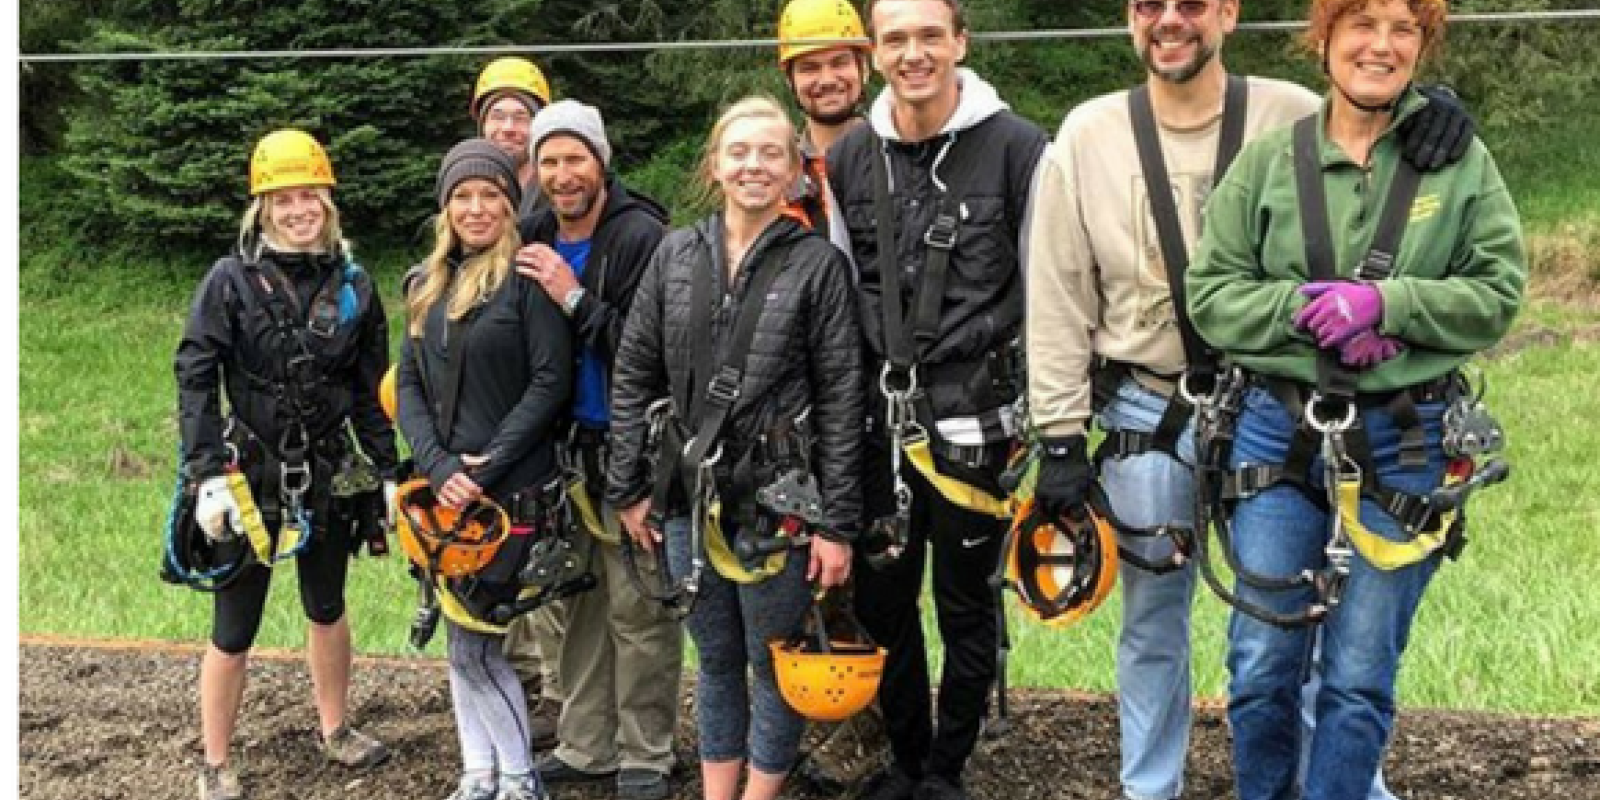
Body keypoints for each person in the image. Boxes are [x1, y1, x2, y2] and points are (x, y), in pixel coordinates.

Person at [1023, 2, 1478, 800]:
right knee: (1154, 623)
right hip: (1150, 408)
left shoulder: (1289, 113)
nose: (1171, 21)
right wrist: (1060, 436)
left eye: (1192, 4)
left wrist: (1436, 111)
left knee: (1300, 620)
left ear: (1228, 13)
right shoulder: (1087, 137)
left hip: (1284, 412)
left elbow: (1371, 130)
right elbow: (1056, 295)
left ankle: (1337, 783)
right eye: (1149, 6)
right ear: (1131, 20)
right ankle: (1150, 788)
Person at [1185, 1, 1526, 798]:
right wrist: (1310, 317)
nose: (1381, 45)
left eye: (1403, 28)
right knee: (1263, 662)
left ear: (1423, 44)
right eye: (1362, 24)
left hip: (1407, 436)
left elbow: (1497, 290)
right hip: (1279, 434)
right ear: (1325, 39)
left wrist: (1394, 308)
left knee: (1360, 674)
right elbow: (1212, 294)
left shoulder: (1460, 164)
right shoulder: (1271, 164)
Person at [606, 95, 864, 800]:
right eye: (739, 152)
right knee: (715, 656)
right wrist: (628, 488)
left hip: (778, 500)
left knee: (768, 658)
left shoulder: (817, 267)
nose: (754, 165)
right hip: (688, 492)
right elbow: (634, 371)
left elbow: (844, 398)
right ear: (715, 164)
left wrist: (837, 523)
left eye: (770, 153)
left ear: (794, 171)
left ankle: (762, 794)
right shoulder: (674, 255)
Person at [823, 2, 1048, 798]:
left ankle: (949, 767)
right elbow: (840, 293)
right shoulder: (851, 159)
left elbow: (1043, 288)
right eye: (895, 39)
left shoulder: (1019, 150)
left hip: (976, 419)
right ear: (876, 52)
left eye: (929, 36)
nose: (913, 53)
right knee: (885, 599)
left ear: (959, 41)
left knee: (964, 603)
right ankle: (907, 758)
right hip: (880, 425)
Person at [175, 128, 397, 800]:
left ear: (328, 203)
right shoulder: (231, 281)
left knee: (327, 606)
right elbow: (195, 371)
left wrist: (387, 471)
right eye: (284, 199)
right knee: (234, 624)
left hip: (327, 472)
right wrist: (206, 472)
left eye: (310, 197)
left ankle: (335, 730)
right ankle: (216, 760)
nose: (299, 210)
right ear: (263, 208)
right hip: (247, 478)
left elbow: (371, 387)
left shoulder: (354, 286)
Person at [510, 100, 682, 800]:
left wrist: (574, 297)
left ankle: (647, 752)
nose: (561, 173)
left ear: (601, 162)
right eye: (548, 160)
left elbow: (659, 354)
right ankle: (587, 743)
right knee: (575, 603)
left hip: (629, 446)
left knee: (639, 607)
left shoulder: (643, 236)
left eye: (575, 157)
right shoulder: (532, 231)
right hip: (561, 452)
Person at [395, 139, 573, 800]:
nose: (476, 208)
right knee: (461, 641)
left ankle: (520, 777)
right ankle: (480, 772)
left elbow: (551, 382)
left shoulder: (527, 280)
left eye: (490, 196)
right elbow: (408, 384)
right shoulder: (423, 284)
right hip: (442, 498)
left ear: (510, 204)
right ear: (446, 207)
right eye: (462, 197)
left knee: (476, 645)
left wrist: (490, 461)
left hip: (512, 495)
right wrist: (439, 466)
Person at [774, 0, 892, 790]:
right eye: (809, 66)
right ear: (791, 77)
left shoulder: (898, 154)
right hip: (804, 409)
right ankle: (837, 743)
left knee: (886, 579)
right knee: (816, 575)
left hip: (893, 396)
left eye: (837, 62)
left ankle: (893, 743)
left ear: (863, 64)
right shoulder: (778, 173)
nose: (825, 78)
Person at [472, 57, 556, 224]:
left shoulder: (558, 193)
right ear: (483, 125)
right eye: (498, 117)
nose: (508, 128)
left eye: (521, 118)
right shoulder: (464, 193)